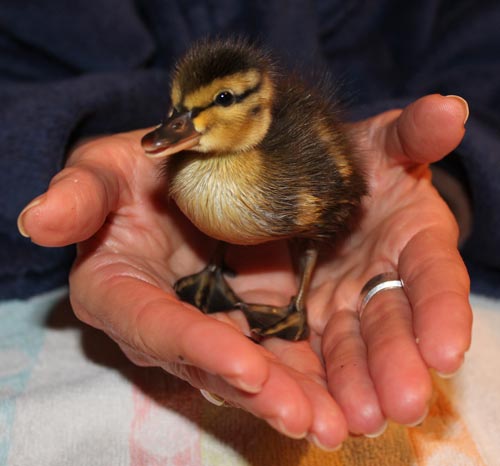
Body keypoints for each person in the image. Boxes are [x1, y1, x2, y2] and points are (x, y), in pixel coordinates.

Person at [3, 0, 499, 452]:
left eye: (215, 103)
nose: (181, 124)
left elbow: (481, 43)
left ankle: (295, 301)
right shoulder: (186, 157)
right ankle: (215, 268)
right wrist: (74, 148)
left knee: (296, 224)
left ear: (258, 103)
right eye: (178, 110)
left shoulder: (296, 165)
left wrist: (452, 178)